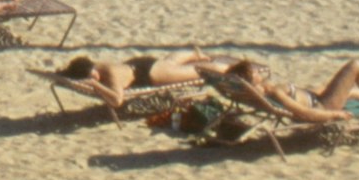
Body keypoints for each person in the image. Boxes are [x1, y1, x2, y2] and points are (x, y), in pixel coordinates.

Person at [214, 56, 359, 124]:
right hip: (322, 105)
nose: (259, 73)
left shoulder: (259, 93)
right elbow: (303, 112)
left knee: (326, 87)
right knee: (353, 67)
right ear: (252, 80)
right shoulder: (274, 93)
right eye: (255, 73)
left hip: (315, 96)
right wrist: (334, 114)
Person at [44, 52, 239, 114]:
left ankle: (225, 67)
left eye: (92, 76)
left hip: (150, 74)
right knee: (171, 63)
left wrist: (95, 86)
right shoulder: (97, 66)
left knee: (196, 72)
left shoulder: (110, 73)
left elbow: (117, 101)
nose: (93, 79)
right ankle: (194, 53)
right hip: (140, 64)